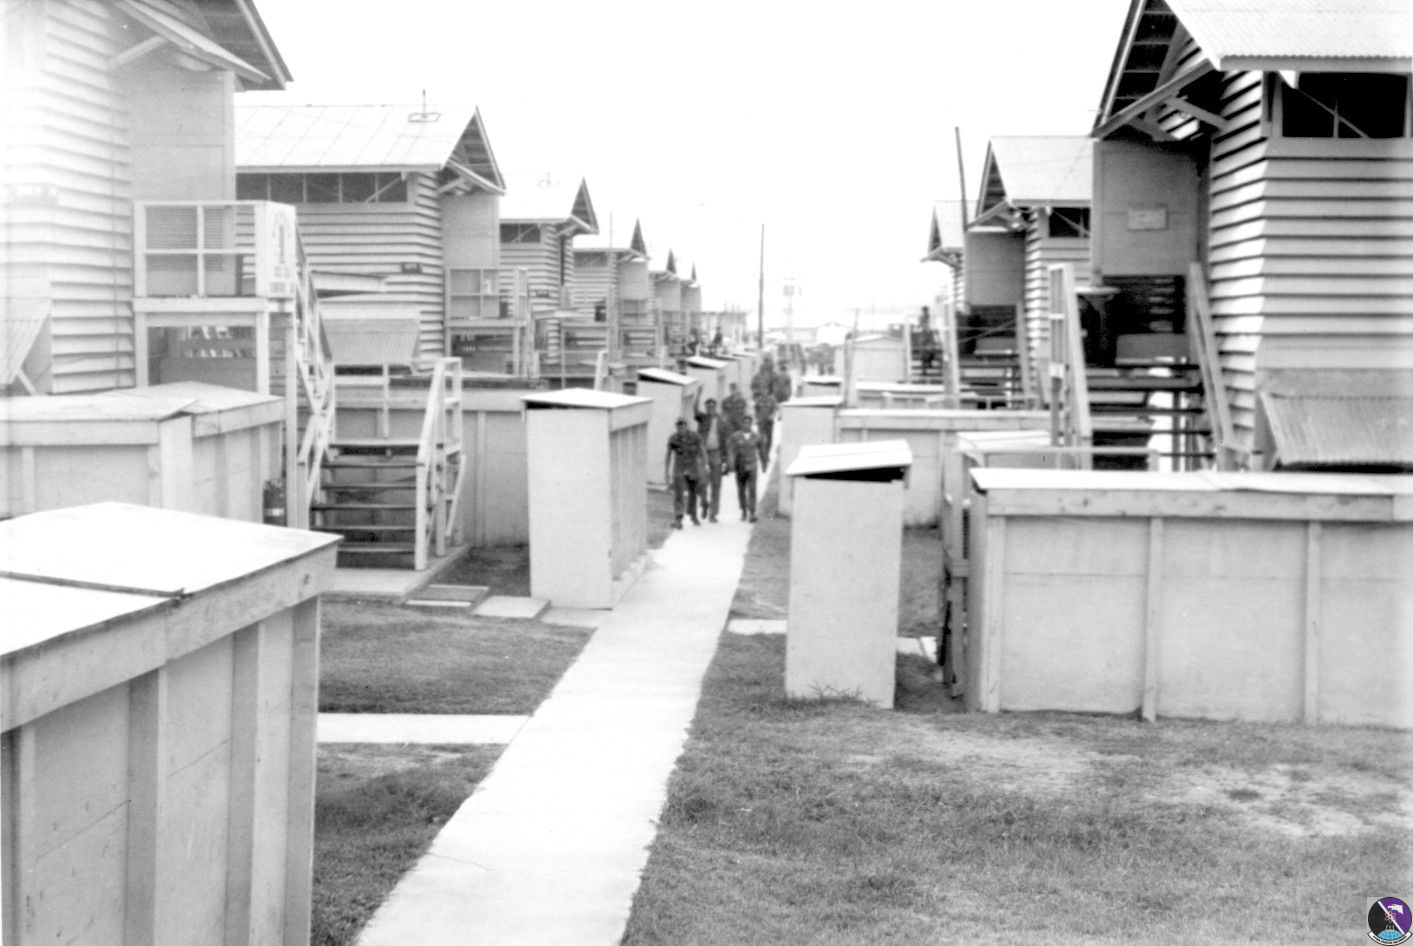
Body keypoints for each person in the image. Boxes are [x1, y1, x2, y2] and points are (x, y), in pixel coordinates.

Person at [664, 418, 704, 528]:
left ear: (687, 426)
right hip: (679, 468)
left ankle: (693, 516)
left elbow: (702, 451)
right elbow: (668, 454)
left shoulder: (695, 437)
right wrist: (666, 471)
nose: (681, 427)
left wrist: (704, 465)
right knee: (679, 494)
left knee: (693, 493)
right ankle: (678, 518)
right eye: (679, 425)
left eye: (683, 425)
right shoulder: (673, 439)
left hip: (692, 468)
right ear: (676, 427)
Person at [695, 394, 727, 523]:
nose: (710, 408)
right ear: (705, 408)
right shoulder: (702, 418)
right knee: (701, 481)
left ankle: (713, 513)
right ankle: (704, 503)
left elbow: (724, 439)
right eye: (708, 407)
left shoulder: (721, 420)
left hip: (716, 453)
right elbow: (694, 410)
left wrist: (725, 458)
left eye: (712, 406)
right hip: (703, 453)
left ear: (715, 407)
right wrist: (698, 395)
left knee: (716, 484)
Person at [727, 415, 762, 522]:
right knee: (741, 490)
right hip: (740, 466)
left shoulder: (756, 436)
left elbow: (761, 449)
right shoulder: (735, 436)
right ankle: (743, 511)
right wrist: (731, 462)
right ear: (741, 424)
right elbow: (731, 450)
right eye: (745, 423)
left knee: (752, 489)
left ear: (751, 424)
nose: (747, 425)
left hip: (752, 465)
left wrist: (764, 461)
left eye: (749, 423)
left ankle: (752, 512)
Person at [753, 386, 777, 468]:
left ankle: (767, 454)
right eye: (763, 390)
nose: (764, 391)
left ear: (767, 391)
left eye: (765, 390)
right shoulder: (758, 400)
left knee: (769, 440)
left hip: (769, 422)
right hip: (761, 422)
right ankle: (762, 456)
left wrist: (771, 416)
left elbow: (774, 409)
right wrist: (757, 418)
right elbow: (755, 410)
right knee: (761, 440)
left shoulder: (772, 400)